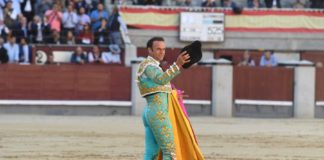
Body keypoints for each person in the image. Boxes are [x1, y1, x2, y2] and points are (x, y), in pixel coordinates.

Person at [137, 37, 204, 159]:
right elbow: (161, 79)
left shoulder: (154, 66)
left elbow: (159, 88)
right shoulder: (148, 65)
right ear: (149, 50)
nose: (162, 52)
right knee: (170, 151)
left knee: (151, 153)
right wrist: (177, 64)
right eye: (158, 49)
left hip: (152, 111)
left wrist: (174, 95)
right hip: (158, 113)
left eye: (163, 49)